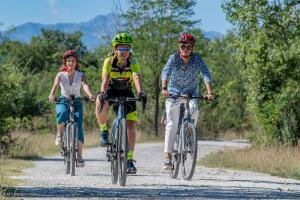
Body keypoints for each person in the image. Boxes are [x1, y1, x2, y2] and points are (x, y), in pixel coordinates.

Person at [161, 33, 214, 169]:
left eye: (188, 46)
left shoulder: (197, 59)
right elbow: (165, 72)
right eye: (182, 46)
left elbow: (205, 74)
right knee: (172, 124)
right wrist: (164, 88)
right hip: (174, 93)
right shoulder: (173, 58)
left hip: (192, 92)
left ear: (192, 48)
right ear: (179, 47)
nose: (185, 49)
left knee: (195, 110)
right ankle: (168, 156)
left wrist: (209, 92)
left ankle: (189, 133)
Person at [95, 33, 147, 174]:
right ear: (115, 49)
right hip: (111, 89)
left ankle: (129, 159)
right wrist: (102, 92)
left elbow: (136, 77)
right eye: (121, 48)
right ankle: (104, 130)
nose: (124, 51)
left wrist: (140, 92)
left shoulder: (133, 61)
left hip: (126, 91)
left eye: (127, 48)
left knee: (131, 125)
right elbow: (105, 79)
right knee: (100, 101)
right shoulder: (109, 61)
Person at [48, 50, 95, 167]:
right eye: (69, 61)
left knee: (79, 127)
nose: (71, 63)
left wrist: (89, 94)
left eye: (73, 61)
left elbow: (84, 85)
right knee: (62, 114)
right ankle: (60, 133)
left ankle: (79, 156)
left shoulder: (80, 75)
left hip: (77, 102)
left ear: (76, 63)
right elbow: (55, 86)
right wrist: (52, 95)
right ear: (65, 62)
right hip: (63, 101)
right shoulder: (60, 75)